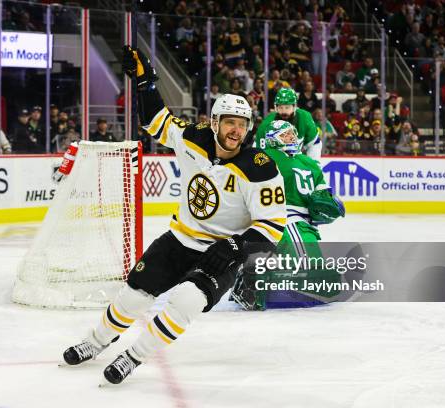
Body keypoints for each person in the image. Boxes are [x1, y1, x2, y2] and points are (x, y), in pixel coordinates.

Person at [62, 46, 286, 385]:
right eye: (229, 123)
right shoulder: (194, 138)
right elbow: (157, 122)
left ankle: (133, 357)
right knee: (132, 296)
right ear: (214, 122)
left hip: (220, 253)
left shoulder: (260, 168)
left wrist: (236, 248)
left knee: (186, 301)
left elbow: (272, 227)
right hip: (179, 239)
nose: (235, 131)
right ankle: (95, 342)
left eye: (241, 125)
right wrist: (145, 82)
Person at [232, 121, 345, 310]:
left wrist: (328, 204)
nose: (291, 137)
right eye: (285, 135)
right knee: (313, 272)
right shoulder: (267, 156)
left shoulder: (309, 162)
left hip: (302, 224)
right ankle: (254, 283)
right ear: (272, 139)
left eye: (292, 133)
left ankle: (252, 277)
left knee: (322, 275)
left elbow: (323, 194)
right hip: (287, 220)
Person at [253, 87, 322, 162]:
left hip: (296, 161)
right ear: (276, 107)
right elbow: (258, 150)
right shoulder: (267, 124)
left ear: (294, 106)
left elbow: (314, 143)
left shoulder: (304, 118)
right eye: (281, 107)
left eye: (287, 107)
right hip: (274, 163)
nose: (284, 111)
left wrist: (314, 165)